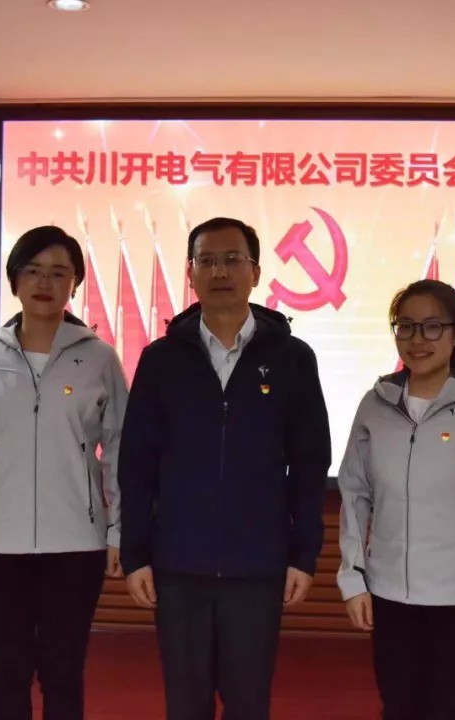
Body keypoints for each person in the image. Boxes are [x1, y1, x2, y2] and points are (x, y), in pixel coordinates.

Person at [118, 216, 332, 720]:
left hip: (257, 566)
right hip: (178, 565)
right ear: (190, 272)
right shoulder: (161, 360)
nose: (219, 271)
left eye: (232, 259)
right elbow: (136, 464)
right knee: (185, 705)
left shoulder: (292, 359)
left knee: (249, 703)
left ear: (255, 272)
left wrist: (303, 554)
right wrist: (135, 554)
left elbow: (309, 464)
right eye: (207, 260)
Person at [0, 225, 128, 720]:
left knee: (64, 675)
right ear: (15, 280)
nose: (45, 283)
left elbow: (120, 450)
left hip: (77, 546)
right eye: (33, 271)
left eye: (59, 273)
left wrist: (118, 530)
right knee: (7, 674)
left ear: (75, 284)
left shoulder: (99, 358)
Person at [336, 279, 455, 720]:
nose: (417, 339)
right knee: (398, 707)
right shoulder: (376, 404)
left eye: (432, 326)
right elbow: (355, 493)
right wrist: (354, 577)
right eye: (405, 326)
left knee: (447, 709)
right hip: (387, 593)